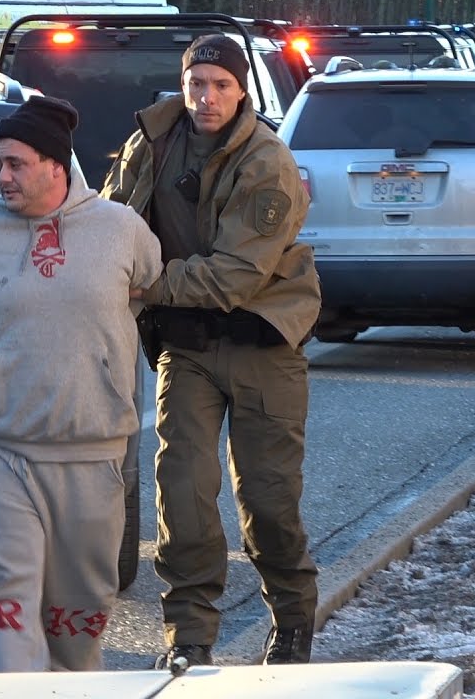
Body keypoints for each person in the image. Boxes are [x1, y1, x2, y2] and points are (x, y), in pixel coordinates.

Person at [100, 34, 322, 668]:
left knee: (269, 502)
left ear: (242, 89)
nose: (207, 96)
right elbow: (114, 223)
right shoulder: (154, 142)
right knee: (184, 497)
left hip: (260, 346)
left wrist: (147, 284)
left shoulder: (267, 160)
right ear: (183, 82)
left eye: (221, 84)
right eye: (197, 82)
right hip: (186, 348)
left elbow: (235, 275)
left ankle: (292, 618)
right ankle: (188, 640)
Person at [0, 96, 163, 672]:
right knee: (6, 613)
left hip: (93, 456)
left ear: (57, 165)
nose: (2, 176)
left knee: (76, 627)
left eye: (16, 164)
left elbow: (148, 286)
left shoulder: (121, 230)